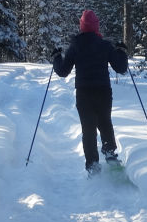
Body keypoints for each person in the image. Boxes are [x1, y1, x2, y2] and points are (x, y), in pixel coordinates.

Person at [52, 10, 129, 174]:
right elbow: (121, 68)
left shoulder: (75, 46)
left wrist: (57, 57)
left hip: (84, 93)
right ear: (96, 26)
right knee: (105, 123)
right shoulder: (105, 45)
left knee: (88, 129)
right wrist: (122, 51)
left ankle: (92, 165)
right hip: (103, 92)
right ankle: (110, 156)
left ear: (82, 26)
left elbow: (63, 71)